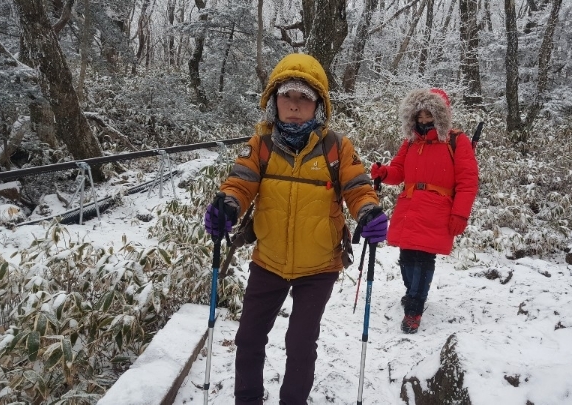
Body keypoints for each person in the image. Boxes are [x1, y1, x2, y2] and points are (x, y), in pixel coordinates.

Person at [203, 53, 388, 405]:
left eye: (304, 97)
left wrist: (368, 212)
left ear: (318, 105)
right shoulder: (261, 145)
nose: (294, 104)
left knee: (301, 343)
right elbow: (240, 183)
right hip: (268, 261)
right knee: (249, 339)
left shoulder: (336, 147)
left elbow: (357, 187)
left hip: (319, 267)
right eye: (286, 95)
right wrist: (228, 205)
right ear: (274, 101)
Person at [371, 88, 479, 334]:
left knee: (423, 259)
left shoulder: (456, 141)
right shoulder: (411, 142)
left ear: (441, 115)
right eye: (419, 116)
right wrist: (384, 173)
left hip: (437, 210)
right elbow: (399, 171)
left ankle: (414, 308)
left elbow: (467, 181)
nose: (423, 120)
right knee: (406, 258)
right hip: (409, 207)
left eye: (428, 115)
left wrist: (460, 214)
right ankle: (413, 293)